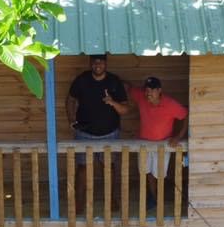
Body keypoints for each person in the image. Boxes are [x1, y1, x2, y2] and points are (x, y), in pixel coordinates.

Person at [66, 54, 129, 213]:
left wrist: (112, 102)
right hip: (85, 133)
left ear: (105, 63)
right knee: (82, 169)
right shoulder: (82, 79)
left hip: (109, 134)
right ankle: (79, 203)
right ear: (90, 63)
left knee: (109, 168)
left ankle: (111, 200)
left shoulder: (114, 81)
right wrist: (72, 120)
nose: (97, 64)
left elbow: (125, 109)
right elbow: (70, 99)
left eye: (100, 61)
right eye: (94, 62)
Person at [130, 75, 188, 207]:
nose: (148, 92)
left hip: (163, 145)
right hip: (144, 143)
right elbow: (128, 88)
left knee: (159, 174)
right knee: (146, 172)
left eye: (152, 89)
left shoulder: (170, 104)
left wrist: (178, 136)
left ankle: (158, 199)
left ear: (159, 90)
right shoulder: (141, 96)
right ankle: (154, 198)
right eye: (146, 89)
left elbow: (186, 115)